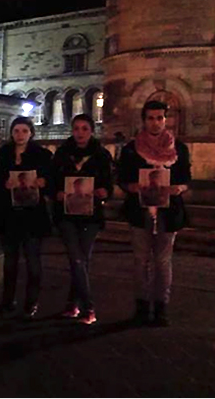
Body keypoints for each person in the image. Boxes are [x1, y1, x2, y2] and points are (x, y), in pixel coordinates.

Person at [118, 100, 191, 327]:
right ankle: (141, 306)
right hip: (140, 212)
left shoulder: (179, 148)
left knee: (162, 261)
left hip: (168, 213)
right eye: (151, 118)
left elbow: (185, 178)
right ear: (144, 120)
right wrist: (132, 187)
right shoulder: (131, 148)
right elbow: (122, 178)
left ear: (165, 119)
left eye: (160, 117)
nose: (156, 122)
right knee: (140, 261)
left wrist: (179, 188)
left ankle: (161, 307)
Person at [51, 114, 114, 325]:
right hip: (66, 215)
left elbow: (109, 184)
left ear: (91, 131)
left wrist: (104, 192)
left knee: (80, 260)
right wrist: (57, 193)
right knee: (77, 259)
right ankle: (89, 308)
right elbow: (52, 182)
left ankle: (72, 304)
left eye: (84, 129)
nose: (80, 132)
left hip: (90, 216)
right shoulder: (61, 154)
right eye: (76, 128)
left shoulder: (102, 155)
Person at [0, 116, 53, 319]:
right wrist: (3, 184)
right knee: (10, 263)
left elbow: (52, 180)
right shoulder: (4, 153)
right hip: (10, 216)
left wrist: (44, 182)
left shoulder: (42, 154)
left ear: (31, 133)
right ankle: (8, 300)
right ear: (11, 133)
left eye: (24, 131)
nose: (20, 135)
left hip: (33, 216)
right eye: (17, 131)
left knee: (33, 262)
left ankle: (31, 302)